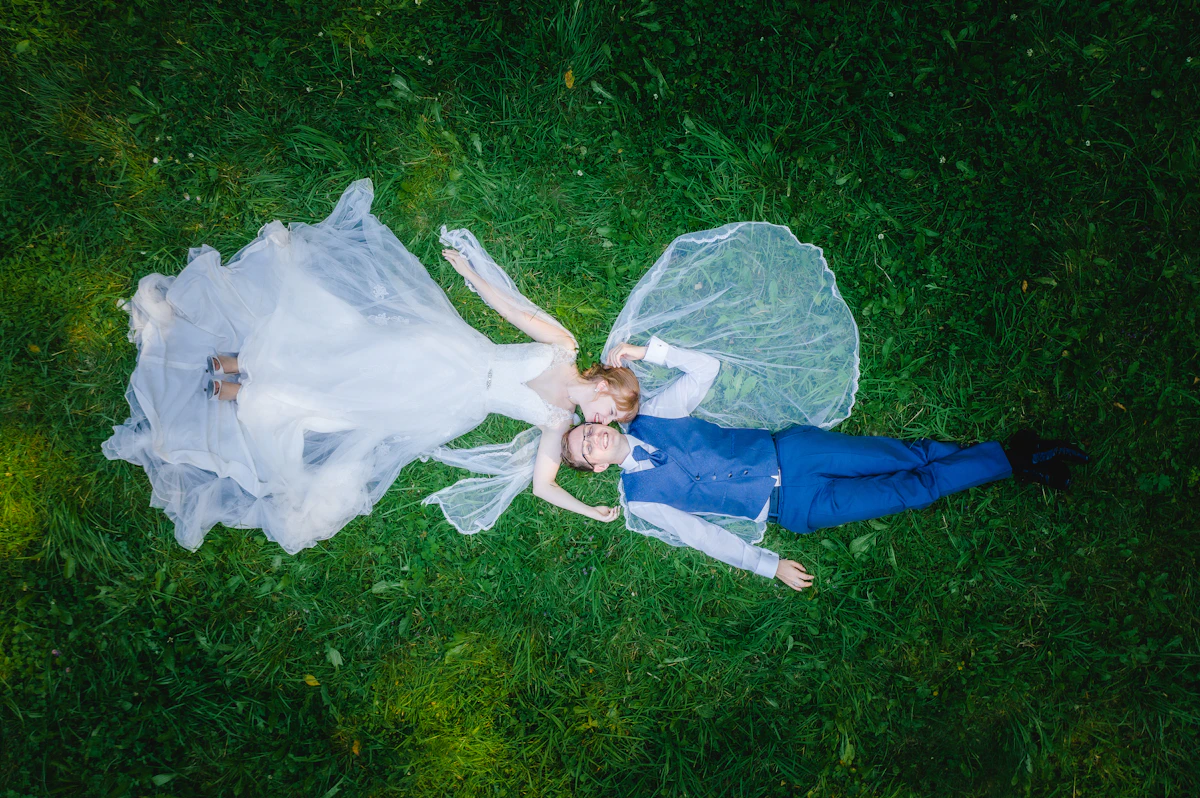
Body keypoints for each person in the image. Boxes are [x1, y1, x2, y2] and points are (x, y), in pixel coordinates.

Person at [103, 179, 637, 554]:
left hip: (444, 401)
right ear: (605, 384)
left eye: (610, 423)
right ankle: (215, 361)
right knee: (338, 349)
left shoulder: (556, 423)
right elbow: (515, 311)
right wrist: (470, 273)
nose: (604, 421)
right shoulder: (564, 346)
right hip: (447, 352)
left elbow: (543, 487)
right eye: (611, 410)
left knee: (337, 402)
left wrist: (592, 512)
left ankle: (225, 395)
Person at [561, 337, 1088, 592]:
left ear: (600, 423)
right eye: (585, 451)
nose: (592, 440)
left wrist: (652, 350)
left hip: (795, 452)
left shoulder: (654, 414)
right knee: (911, 491)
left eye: (587, 431)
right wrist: (768, 565)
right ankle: (1018, 457)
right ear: (597, 470)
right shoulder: (643, 501)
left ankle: (1017, 459)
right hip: (796, 507)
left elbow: (708, 368)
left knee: (908, 455)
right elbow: (704, 537)